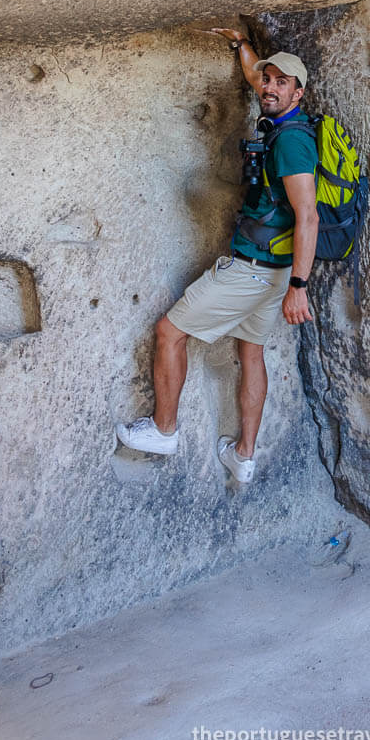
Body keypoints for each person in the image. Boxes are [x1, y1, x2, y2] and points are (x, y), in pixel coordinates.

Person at [117, 31, 318, 484]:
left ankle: (163, 430)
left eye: (281, 82)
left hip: (253, 271)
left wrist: (300, 288)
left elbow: (309, 216)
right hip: (274, 270)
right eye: (267, 79)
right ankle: (243, 457)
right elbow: (255, 77)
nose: (269, 87)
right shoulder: (288, 121)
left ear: (299, 93)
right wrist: (242, 44)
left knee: (169, 332)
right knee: (251, 351)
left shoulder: (291, 143)